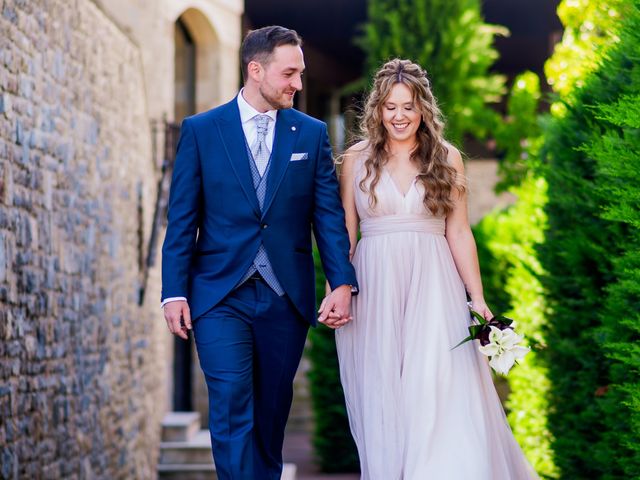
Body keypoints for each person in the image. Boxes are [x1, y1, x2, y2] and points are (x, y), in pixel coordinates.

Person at [161, 25, 357, 480]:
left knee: (271, 413)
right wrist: (174, 292)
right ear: (256, 69)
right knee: (230, 403)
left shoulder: (310, 135)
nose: (299, 84)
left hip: (283, 298)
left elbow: (326, 217)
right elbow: (182, 219)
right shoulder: (201, 131)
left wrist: (342, 281)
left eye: (301, 73)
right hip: (218, 296)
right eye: (290, 74)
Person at [330, 59, 538, 479]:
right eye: (390, 107)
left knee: (437, 388)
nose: (399, 116)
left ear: (423, 108)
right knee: (384, 393)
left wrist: (477, 298)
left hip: (434, 284)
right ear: (377, 110)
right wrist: (338, 288)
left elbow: (459, 232)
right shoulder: (356, 159)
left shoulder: (447, 158)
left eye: (408, 106)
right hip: (375, 286)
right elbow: (346, 232)